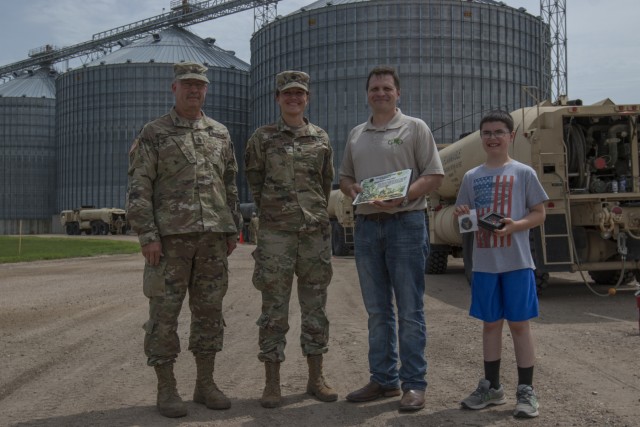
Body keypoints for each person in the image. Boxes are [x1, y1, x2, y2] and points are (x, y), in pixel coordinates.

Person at [127, 61, 240, 418]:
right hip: (170, 241)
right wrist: (147, 234)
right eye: (187, 84)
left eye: (200, 85)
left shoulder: (220, 133)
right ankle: (167, 388)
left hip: (212, 239)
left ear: (206, 90)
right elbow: (139, 187)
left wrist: (231, 227)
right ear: (173, 88)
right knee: (164, 315)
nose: (194, 90)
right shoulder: (154, 132)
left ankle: (205, 384)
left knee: (209, 314)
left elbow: (231, 183)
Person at [339, 66, 444, 411]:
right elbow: (346, 178)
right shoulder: (357, 134)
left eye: (386, 88)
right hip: (368, 227)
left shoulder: (415, 128)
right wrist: (352, 188)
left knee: (410, 309)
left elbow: (434, 174)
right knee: (377, 310)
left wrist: (404, 196)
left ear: (398, 93)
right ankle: (383, 379)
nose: (380, 93)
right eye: (374, 89)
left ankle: (413, 384)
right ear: (366, 93)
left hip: (406, 224)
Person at [244, 70, 336, 408]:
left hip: (313, 234)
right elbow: (255, 180)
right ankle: (272, 384)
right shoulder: (262, 137)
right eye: (287, 94)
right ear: (278, 98)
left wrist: (309, 212)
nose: (293, 99)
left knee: (315, 308)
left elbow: (325, 183)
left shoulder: (321, 138)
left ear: (307, 98)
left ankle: (316, 378)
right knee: (274, 310)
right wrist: (274, 212)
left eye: (299, 94)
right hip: (276, 235)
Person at [454, 109, 548, 419]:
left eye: (498, 132)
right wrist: (463, 213)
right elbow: (463, 221)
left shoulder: (523, 173)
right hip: (484, 264)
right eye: (487, 133)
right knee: (490, 325)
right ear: (480, 138)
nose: (492, 137)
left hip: (517, 262)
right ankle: (492, 387)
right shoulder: (471, 177)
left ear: (511, 136)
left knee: (520, 325)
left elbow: (539, 213)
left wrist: (514, 225)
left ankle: (526, 390)